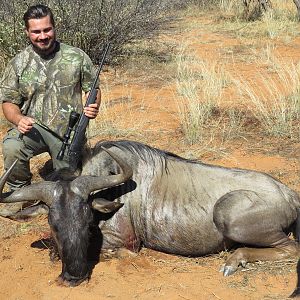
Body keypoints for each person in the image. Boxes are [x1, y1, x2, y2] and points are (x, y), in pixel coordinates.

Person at [0, 4, 101, 217]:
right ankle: (22, 194)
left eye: (47, 30)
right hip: (33, 129)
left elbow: (93, 89)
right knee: (11, 146)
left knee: (71, 187)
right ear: (27, 32)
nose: (43, 36)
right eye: (36, 31)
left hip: (68, 132)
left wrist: (93, 105)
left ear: (54, 28)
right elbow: (8, 102)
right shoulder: (18, 63)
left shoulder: (76, 56)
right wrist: (18, 119)